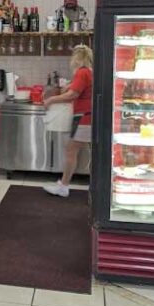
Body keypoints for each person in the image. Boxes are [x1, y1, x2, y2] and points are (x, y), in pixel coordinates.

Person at [43, 44, 93, 197]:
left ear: (77, 58)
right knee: (79, 150)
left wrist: (51, 99)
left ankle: (63, 186)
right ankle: (66, 184)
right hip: (89, 116)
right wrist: (69, 86)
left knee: (71, 150)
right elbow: (75, 89)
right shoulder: (89, 72)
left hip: (84, 118)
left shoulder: (82, 73)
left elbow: (72, 95)